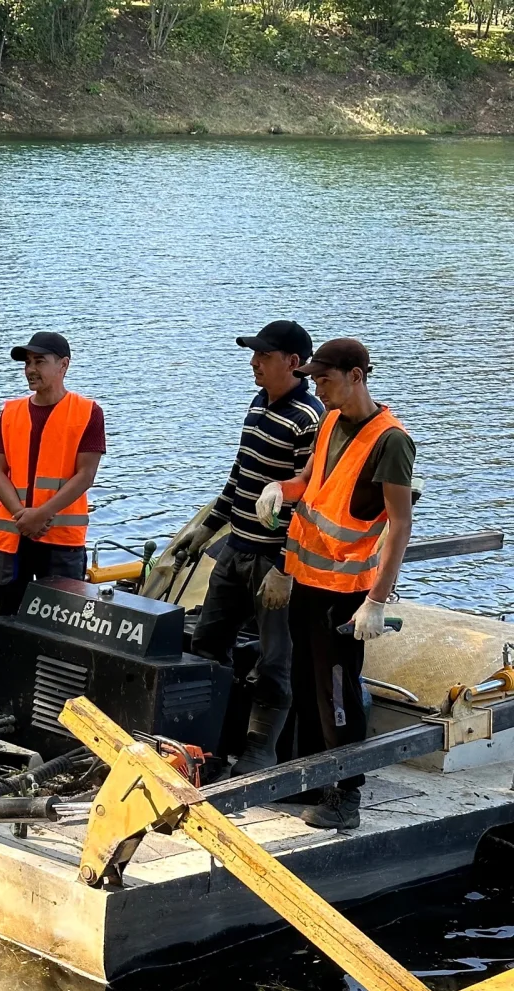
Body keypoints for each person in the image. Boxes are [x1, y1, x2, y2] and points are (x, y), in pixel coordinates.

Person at [256, 338, 415, 830]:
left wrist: (376, 601)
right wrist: (280, 489)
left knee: (338, 694)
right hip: (308, 583)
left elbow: (400, 525)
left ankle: (347, 796)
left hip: (347, 595)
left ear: (357, 376)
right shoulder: (329, 422)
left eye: (324, 379)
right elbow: (311, 482)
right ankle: (310, 781)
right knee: (306, 685)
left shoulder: (390, 440)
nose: (317, 386)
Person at [171, 321, 324, 776]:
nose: (254, 363)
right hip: (236, 548)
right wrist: (208, 529)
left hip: (273, 559)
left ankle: (260, 750)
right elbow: (240, 476)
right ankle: (204, 744)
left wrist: (284, 565)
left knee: (276, 658)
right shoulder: (258, 406)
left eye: (264, 356)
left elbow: (307, 501)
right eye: (253, 355)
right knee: (206, 644)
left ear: (293, 363)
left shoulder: (309, 420)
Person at [0, 332, 105, 616]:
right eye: (27, 362)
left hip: (61, 541)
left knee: (61, 625)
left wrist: (41, 514)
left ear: (63, 365)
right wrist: (22, 515)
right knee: (5, 622)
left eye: (39, 362)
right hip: (13, 539)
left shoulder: (88, 412)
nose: (30, 370)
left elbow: (85, 475)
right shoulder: (11, 411)